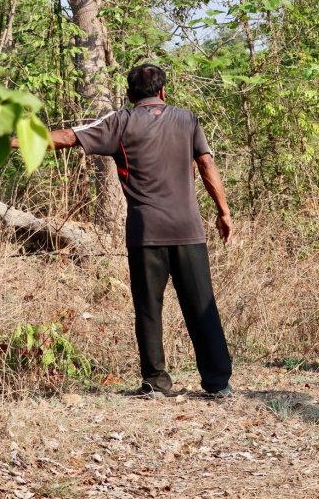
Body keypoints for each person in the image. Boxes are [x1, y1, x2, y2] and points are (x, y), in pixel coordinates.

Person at [13, 64, 234, 398]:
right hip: (188, 229)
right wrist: (223, 211)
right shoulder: (187, 119)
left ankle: (156, 382)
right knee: (201, 305)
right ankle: (217, 383)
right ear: (163, 91)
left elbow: (68, 137)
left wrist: (14, 141)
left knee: (148, 308)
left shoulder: (120, 121)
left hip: (145, 233)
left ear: (130, 94)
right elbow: (206, 164)